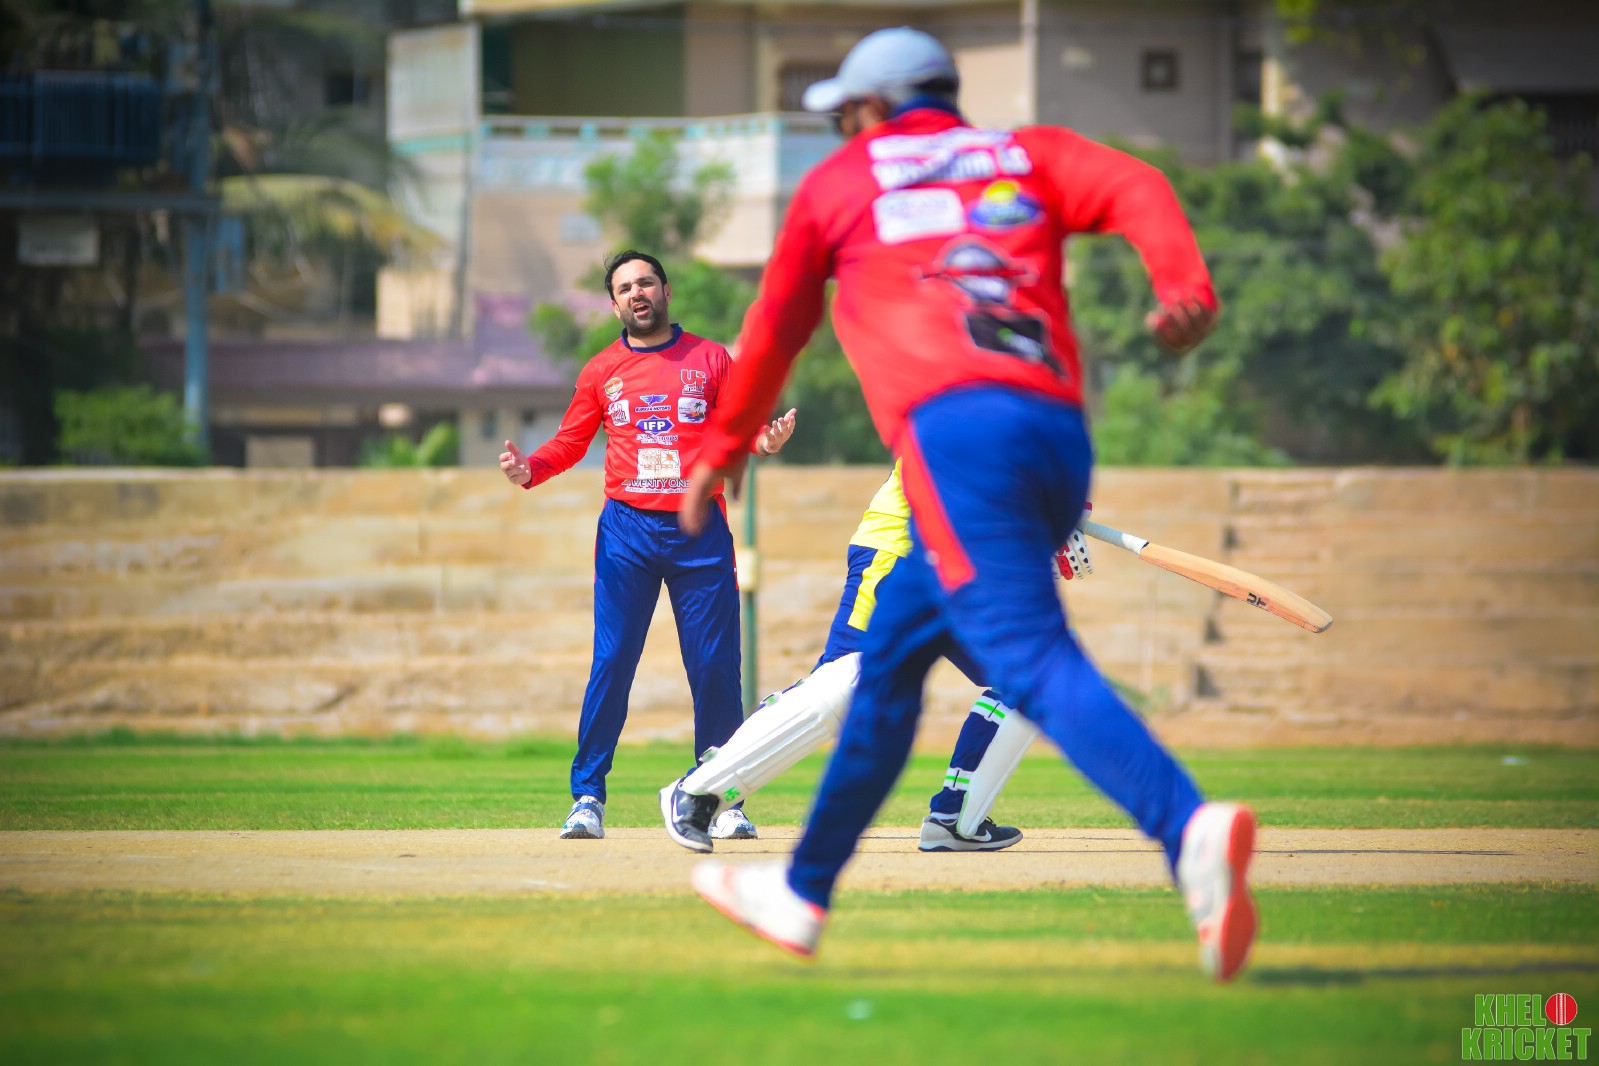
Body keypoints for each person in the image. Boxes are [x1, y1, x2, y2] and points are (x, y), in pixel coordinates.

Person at [677, 29, 1258, 982]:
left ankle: (1187, 828)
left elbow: (775, 325)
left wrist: (723, 445)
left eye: (844, 113)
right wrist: (1182, 285)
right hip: (1055, 433)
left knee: (1030, 660)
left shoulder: (844, 180)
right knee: (890, 666)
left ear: (871, 109)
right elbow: (1139, 187)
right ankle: (802, 890)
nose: (842, 129)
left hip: (954, 439)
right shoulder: (1025, 154)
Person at [499, 249, 797, 841]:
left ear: (666, 291)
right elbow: (570, 442)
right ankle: (587, 798)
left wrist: (764, 442)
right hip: (626, 535)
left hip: (698, 530)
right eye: (624, 288)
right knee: (612, 663)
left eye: (646, 283)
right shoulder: (600, 370)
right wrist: (531, 469)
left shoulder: (711, 359)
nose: (637, 293)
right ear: (614, 305)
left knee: (715, 667)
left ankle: (722, 800)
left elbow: (741, 425)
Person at [660, 460, 1095, 853]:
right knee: (846, 680)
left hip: (956, 571)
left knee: (1037, 670)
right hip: (899, 555)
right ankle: (699, 791)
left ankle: (956, 819)